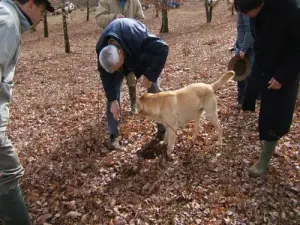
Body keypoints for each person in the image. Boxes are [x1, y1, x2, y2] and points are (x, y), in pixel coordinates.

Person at [0, 0, 54, 224]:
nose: (42, 17)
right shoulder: (8, 23)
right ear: (31, 5)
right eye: (42, 11)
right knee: (10, 172)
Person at [234, 0, 300, 177]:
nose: (246, 16)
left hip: (285, 70)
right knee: (265, 110)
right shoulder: (258, 14)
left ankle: (264, 160)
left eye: (248, 12)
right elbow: (260, 44)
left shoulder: (288, 10)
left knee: (274, 115)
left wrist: (283, 76)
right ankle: (269, 143)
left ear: (259, 4)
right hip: (265, 67)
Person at [96, 18, 168, 150]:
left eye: (118, 67)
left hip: (141, 56)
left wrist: (150, 75)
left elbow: (162, 48)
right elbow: (105, 76)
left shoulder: (136, 35)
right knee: (112, 97)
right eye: (115, 69)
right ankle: (113, 136)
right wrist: (112, 99)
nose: (118, 71)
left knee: (154, 91)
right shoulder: (102, 49)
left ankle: (164, 130)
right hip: (124, 54)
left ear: (120, 52)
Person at [95, 0, 145, 114]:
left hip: (131, 46)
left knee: (132, 78)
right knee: (114, 79)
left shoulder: (134, 1)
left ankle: (133, 104)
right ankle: (114, 107)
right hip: (113, 46)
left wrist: (128, 25)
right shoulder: (105, 1)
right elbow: (99, 19)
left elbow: (141, 20)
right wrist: (114, 18)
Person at [234, 11, 254, 107]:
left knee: (247, 74)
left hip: (249, 48)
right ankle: (242, 99)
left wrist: (244, 48)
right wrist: (237, 43)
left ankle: (247, 101)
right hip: (241, 45)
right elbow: (240, 28)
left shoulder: (246, 5)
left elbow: (249, 29)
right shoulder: (240, 7)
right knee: (240, 74)